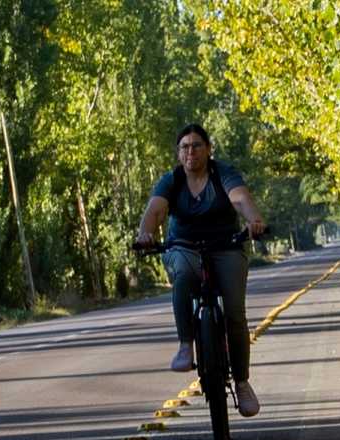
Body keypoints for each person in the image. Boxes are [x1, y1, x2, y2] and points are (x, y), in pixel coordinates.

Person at [135, 124, 266, 418]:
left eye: (196, 145)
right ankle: (186, 346)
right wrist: (146, 234)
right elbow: (155, 211)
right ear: (178, 153)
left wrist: (254, 220)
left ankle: (242, 383)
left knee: (235, 313)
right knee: (183, 274)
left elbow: (240, 198)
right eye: (184, 147)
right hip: (184, 246)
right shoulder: (172, 180)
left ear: (208, 149)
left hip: (225, 246)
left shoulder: (223, 173)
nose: (190, 151)